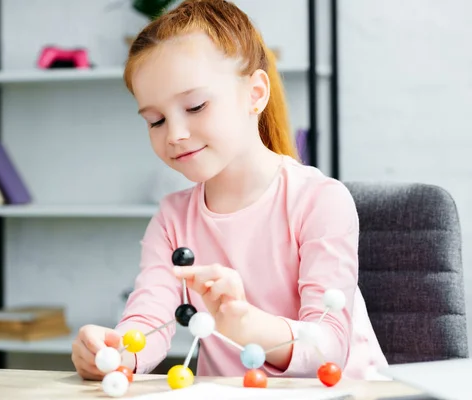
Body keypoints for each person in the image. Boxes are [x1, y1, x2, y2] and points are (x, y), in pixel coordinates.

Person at [72, 0, 388, 381]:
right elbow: (148, 318)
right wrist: (115, 350)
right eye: (155, 121)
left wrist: (245, 323)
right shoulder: (172, 219)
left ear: (255, 94)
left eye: (195, 106)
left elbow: (330, 346)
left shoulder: (320, 200)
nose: (174, 135)